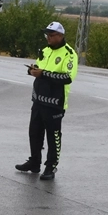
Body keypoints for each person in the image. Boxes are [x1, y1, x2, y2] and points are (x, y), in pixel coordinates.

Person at [15, 21, 77, 180]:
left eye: (51, 35)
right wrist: (32, 70)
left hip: (55, 103)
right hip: (38, 100)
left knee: (53, 136)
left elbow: (67, 77)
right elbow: (39, 68)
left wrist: (43, 74)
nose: (48, 38)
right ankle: (34, 162)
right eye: (46, 35)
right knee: (34, 133)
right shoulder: (45, 50)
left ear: (60, 36)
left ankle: (51, 166)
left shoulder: (69, 54)